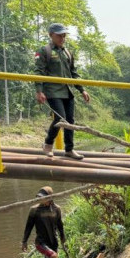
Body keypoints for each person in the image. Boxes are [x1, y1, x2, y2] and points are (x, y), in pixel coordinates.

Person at [35, 23, 90, 160]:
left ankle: (69, 149)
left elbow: (73, 73)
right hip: (52, 90)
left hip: (67, 90)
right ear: (51, 35)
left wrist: (82, 89)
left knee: (70, 120)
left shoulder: (67, 52)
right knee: (60, 118)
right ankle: (48, 144)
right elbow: (38, 72)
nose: (62, 38)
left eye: (64, 35)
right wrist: (39, 91)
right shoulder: (44, 51)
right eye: (59, 35)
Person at [21, 186, 72, 258]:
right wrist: (24, 241)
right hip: (41, 242)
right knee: (53, 256)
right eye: (39, 197)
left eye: (42, 198)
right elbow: (28, 226)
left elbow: (60, 225)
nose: (40, 199)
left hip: (53, 241)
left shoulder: (56, 209)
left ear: (49, 198)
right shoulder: (34, 210)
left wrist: (63, 238)